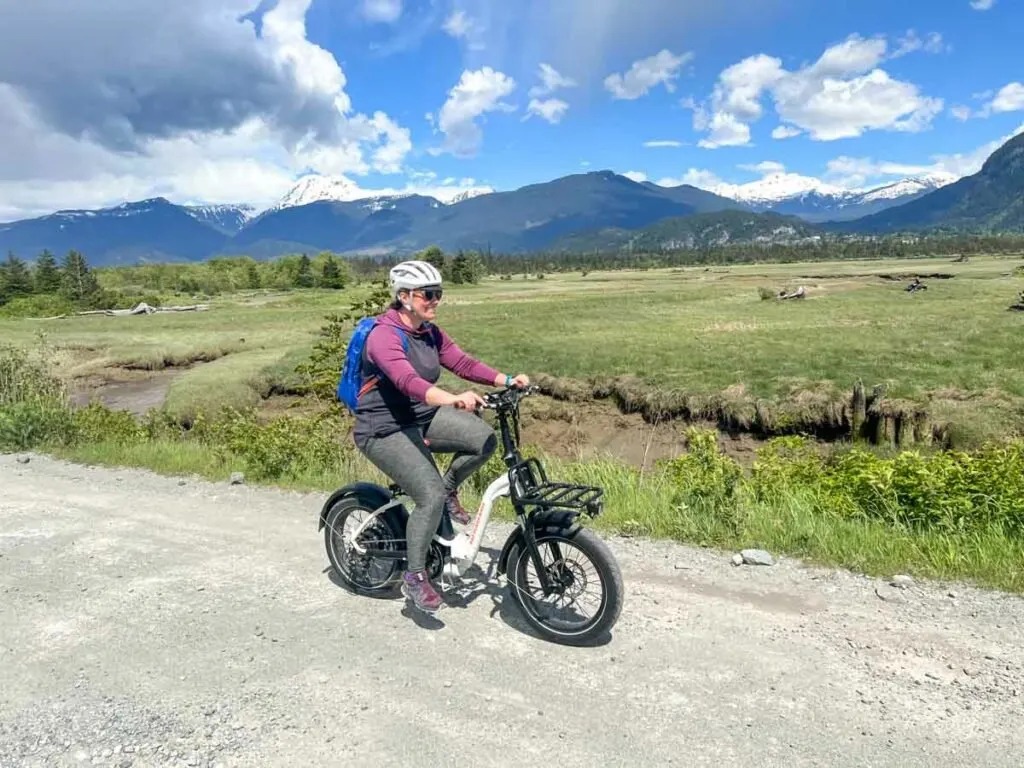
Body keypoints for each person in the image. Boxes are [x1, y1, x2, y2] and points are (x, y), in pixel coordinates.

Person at [352, 259, 530, 614]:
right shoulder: (383, 336)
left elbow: (462, 363)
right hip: (382, 427)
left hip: (420, 416)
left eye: (439, 293)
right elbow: (407, 382)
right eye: (428, 294)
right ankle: (415, 575)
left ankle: (450, 488)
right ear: (403, 296)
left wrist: (507, 380)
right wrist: (452, 398)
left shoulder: (429, 332)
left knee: (483, 440)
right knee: (428, 496)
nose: (435, 300)